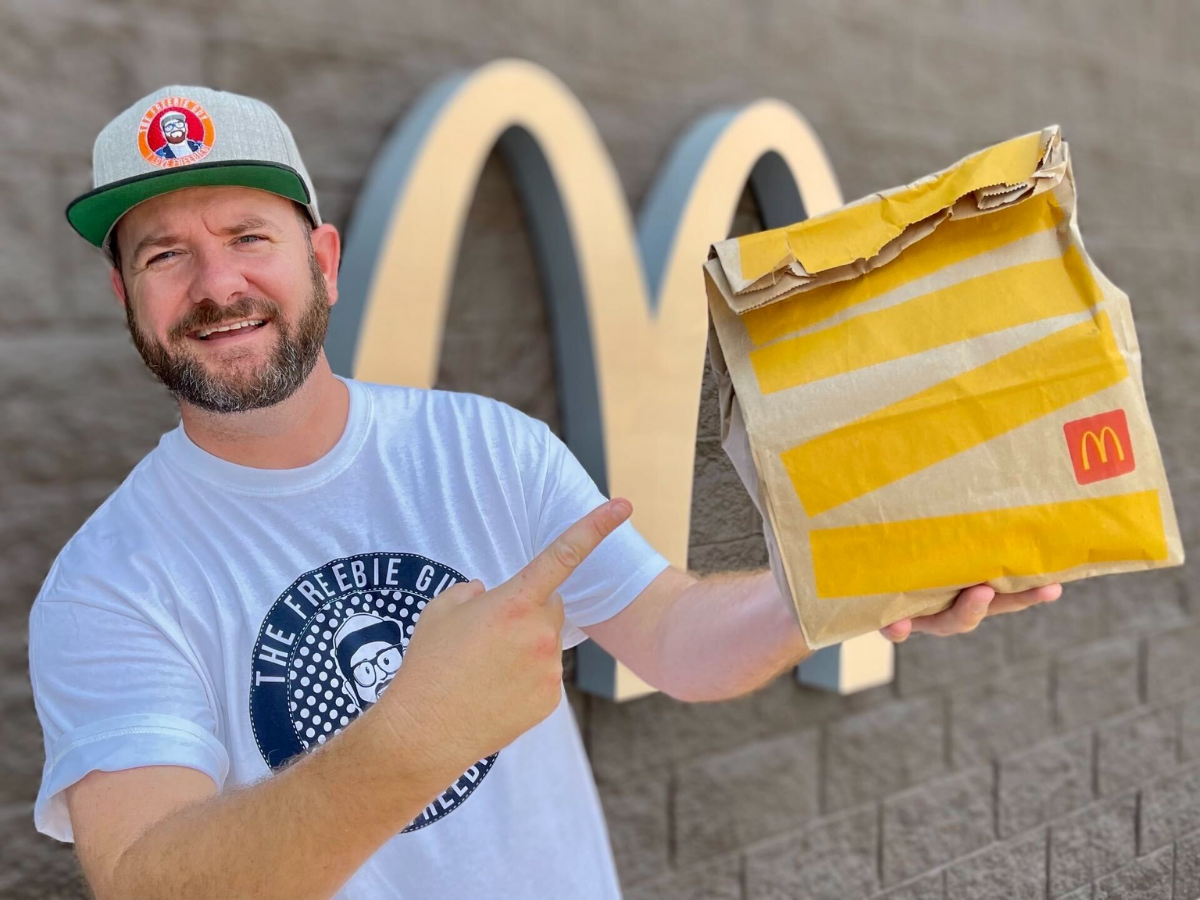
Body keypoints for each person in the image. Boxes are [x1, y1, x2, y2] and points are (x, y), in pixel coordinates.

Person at [28, 85, 1061, 900]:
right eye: (166, 255)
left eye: (249, 237)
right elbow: (152, 880)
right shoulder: (110, 586)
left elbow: (670, 637)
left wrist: (847, 578)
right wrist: (414, 732)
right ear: (127, 297)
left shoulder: (482, 447)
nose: (216, 286)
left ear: (323, 261)